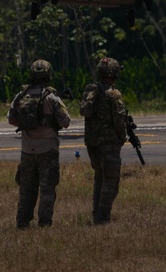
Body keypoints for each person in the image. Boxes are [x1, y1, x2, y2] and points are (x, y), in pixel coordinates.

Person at [7, 59, 71, 228]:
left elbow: (11, 119)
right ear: (48, 75)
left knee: (26, 190)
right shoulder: (51, 97)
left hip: (27, 151)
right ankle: (44, 224)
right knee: (47, 190)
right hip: (48, 151)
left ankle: (22, 222)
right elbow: (66, 122)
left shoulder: (21, 96)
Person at [79, 57, 128, 225]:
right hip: (108, 144)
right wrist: (122, 138)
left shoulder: (89, 90)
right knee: (110, 181)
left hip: (92, 144)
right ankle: (102, 218)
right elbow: (119, 120)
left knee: (99, 177)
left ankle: (96, 213)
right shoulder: (114, 94)